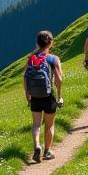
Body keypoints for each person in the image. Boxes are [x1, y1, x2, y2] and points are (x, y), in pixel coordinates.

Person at [24, 30, 63, 163]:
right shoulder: (53, 58)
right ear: (51, 43)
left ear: (37, 43)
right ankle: (47, 151)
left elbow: (25, 79)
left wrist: (28, 97)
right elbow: (59, 78)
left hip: (35, 97)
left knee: (36, 124)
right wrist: (59, 96)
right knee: (49, 125)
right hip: (48, 96)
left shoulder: (31, 59)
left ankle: (36, 146)